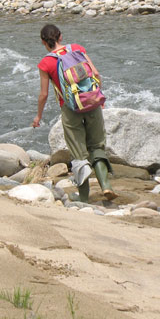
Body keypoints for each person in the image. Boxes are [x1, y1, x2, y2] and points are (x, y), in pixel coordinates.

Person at [32, 24, 116, 203]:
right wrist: (98, 97)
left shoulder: (45, 63)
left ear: (43, 42)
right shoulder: (77, 49)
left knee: (79, 154)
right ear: (60, 37)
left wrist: (38, 116)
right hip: (92, 103)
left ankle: (84, 198)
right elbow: (95, 73)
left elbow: (44, 94)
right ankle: (106, 186)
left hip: (71, 109)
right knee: (96, 147)